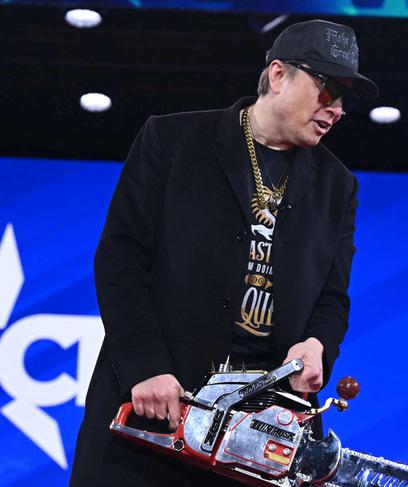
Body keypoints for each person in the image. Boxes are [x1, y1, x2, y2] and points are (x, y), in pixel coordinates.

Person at [70, 19, 378, 486]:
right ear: (278, 75)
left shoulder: (338, 186)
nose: (336, 109)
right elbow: (120, 259)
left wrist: (316, 347)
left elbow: (332, 298)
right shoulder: (172, 141)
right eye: (326, 88)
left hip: (263, 430)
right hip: (157, 410)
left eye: (345, 99)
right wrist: (147, 367)